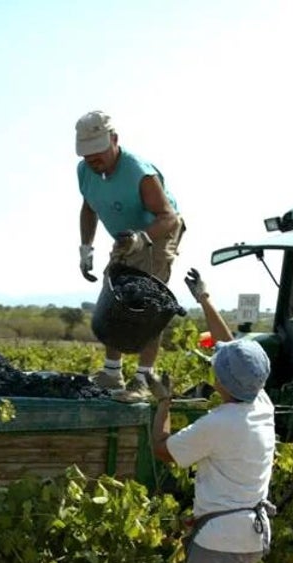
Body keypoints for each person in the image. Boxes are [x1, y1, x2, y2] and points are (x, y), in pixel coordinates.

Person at [149, 268, 276, 563]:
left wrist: (162, 402)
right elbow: (231, 351)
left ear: (223, 384)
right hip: (249, 534)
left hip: (222, 542)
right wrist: (204, 299)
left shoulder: (220, 423)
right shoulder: (260, 404)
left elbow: (162, 451)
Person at [75, 110, 185, 402]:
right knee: (115, 296)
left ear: (114, 140)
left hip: (158, 232)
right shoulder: (85, 171)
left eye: (98, 152)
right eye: (87, 155)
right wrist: (86, 247)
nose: (93, 160)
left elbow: (169, 217)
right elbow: (89, 207)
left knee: (147, 304)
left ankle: (143, 380)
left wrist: (142, 238)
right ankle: (112, 373)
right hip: (126, 235)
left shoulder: (139, 172)